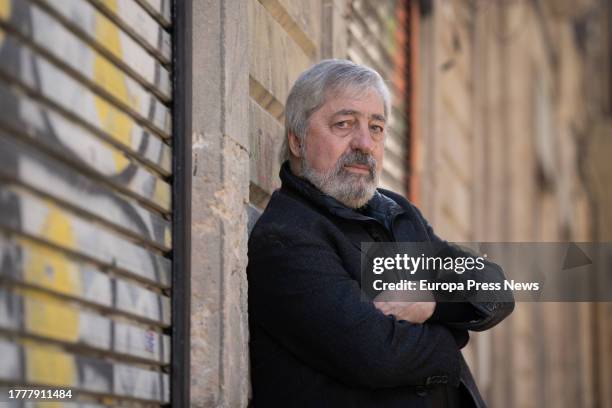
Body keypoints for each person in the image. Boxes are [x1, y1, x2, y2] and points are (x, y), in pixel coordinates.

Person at [247, 59, 514, 407]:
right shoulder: (285, 238)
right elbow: (377, 356)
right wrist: (452, 341)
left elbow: (494, 287)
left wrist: (430, 306)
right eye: (344, 124)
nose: (364, 143)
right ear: (297, 141)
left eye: (376, 127)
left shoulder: (395, 212)